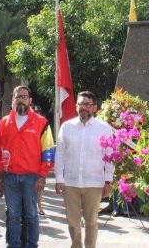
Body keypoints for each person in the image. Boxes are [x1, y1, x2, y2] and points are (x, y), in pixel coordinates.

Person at [0, 85, 55, 248]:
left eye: (24, 97)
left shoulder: (41, 122)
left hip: (32, 177)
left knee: (32, 214)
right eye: (17, 97)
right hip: (10, 177)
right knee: (13, 214)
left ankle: (32, 245)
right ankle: (14, 245)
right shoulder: (5, 122)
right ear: (13, 100)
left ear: (30, 100)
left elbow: (48, 151)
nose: (21, 99)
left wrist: (42, 175)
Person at [55, 91, 114, 248]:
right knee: (73, 222)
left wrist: (108, 181)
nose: (84, 108)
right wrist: (59, 179)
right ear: (76, 107)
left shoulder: (104, 129)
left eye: (87, 105)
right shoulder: (66, 127)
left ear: (94, 108)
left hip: (94, 183)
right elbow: (60, 154)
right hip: (71, 183)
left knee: (91, 222)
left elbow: (109, 157)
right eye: (81, 104)